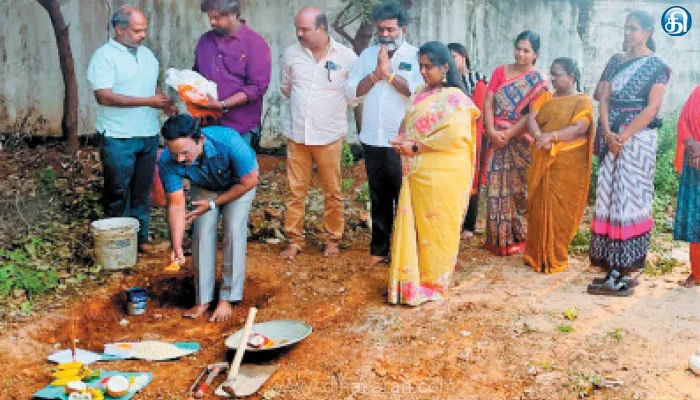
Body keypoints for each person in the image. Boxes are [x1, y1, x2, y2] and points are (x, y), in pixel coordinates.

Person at [387, 41, 479, 306]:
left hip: (442, 175)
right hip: (415, 173)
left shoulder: (456, 100)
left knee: (437, 228)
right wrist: (401, 139)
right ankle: (410, 281)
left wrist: (414, 146)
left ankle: (433, 282)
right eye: (421, 67)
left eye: (429, 67)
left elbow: (454, 136)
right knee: (414, 227)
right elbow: (409, 122)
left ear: (445, 67)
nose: (424, 72)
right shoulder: (418, 93)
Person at [587, 11, 670, 296]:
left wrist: (622, 136)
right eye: (625, 28)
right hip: (613, 136)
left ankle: (625, 269)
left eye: (633, 29)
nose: (627, 34)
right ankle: (611, 267)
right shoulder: (616, 61)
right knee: (609, 198)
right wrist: (609, 133)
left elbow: (652, 109)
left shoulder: (658, 66)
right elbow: (604, 99)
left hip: (637, 139)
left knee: (629, 199)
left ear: (647, 32)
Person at [86, 5, 176, 253]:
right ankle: (117, 244)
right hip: (117, 136)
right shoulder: (104, 56)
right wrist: (148, 101)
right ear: (119, 29)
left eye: (144, 30)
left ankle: (141, 240)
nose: (142, 35)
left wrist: (164, 103)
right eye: (137, 30)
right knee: (117, 191)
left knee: (142, 191)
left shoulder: (147, 55)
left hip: (147, 133)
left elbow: (151, 87)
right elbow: (103, 96)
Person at [158, 115, 258, 322]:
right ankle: (203, 299)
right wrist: (176, 245)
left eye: (185, 153)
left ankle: (228, 297)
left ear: (200, 140)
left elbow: (249, 181)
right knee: (202, 233)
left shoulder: (230, 143)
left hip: (238, 185)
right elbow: (176, 204)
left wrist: (214, 203)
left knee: (233, 229)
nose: (180, 160)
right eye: (174, 153)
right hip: (205, 186)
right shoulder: (167, 160)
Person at [346, 1, 423, 267]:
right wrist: (375, 75)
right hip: (372, 138)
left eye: (390, 29)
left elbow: (419, 92)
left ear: (402, 28)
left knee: (404, 197)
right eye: (382, 30)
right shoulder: (367, 55)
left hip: (401, 140)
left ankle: (406, 253)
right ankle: (379, 250)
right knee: (378, 198)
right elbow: (351, 90)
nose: (386, 34)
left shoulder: (415, 56)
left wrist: (389, 76)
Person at [278, 6, 358, 260]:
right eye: (297, 28)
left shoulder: (346, 57)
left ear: (322, 28)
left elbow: (354, 96)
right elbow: (286, 88)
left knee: (332, 190)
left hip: (329, 135)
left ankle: (332, 239)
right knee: (294, 190)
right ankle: (293, 240)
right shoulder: (291, 54)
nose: (299, 33)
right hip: (298, 135)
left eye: (305, 29)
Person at [524, 58, 594, 274]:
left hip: (567, 165)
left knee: (562, 212)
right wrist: (538, 136)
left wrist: (552, 137)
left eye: (557, 74)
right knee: (538, 206)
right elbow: (532, 117)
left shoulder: (582, 101)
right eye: (551, 73)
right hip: (543, 157)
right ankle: (535, 254)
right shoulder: (545, 97)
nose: (552, 78)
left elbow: (580, 128)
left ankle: (555, 255)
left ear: (571, 76)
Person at [483, 30, 547, 256]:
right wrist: (491, 131)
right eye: (518, 48)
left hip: (519, 140)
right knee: (495, 189)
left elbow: (532, 115)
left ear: (535, 54)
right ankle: (497, 239)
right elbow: (488, 101)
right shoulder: (500, 71)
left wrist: (508, 134)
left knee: (518, 190)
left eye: (526, 50)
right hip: (495, 136)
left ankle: (518, 236)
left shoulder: (538, 82)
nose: (520, 54)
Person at [193, 0, 271, 147]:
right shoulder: (205, 41)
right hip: (208, 125)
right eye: (210, 17)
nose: (212, 22)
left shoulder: (255, 43)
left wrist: (223, 105)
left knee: (239, 169)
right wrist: (198, 107)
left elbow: (257, 87)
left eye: (216, 18)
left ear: (233, 14)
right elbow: (196, 76)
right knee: (210, 169)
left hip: (241, 128)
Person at [448, 42, 488, 239]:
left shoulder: (477, 80)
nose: (451, 60)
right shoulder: (446, 82)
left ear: (463, 57)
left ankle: (469, 224)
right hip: (451, 136)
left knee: (471, 178)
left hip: (474, 134)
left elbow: (478, 109)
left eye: (453, 56)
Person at [673, 85, 700, 288]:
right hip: (695, 163)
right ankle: (697, 271)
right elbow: (684, 122)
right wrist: (694, 148)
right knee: (696, 218)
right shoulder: (698, 92)